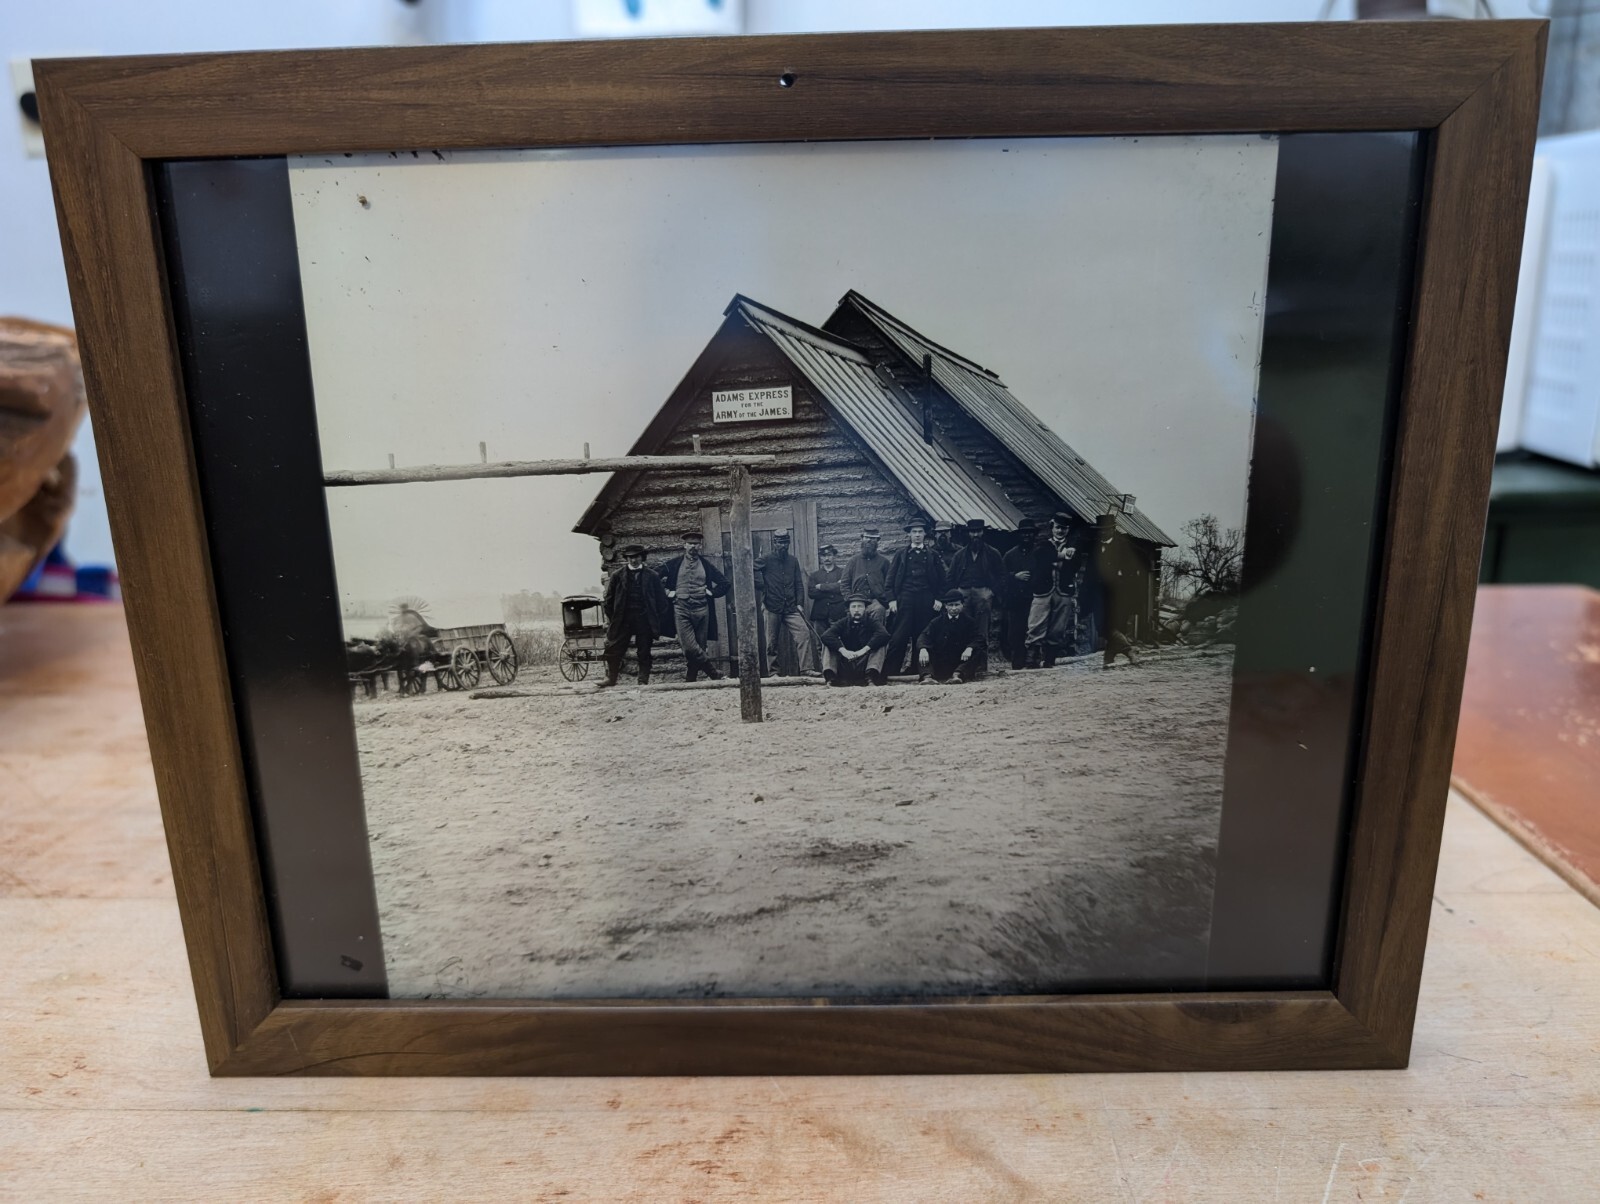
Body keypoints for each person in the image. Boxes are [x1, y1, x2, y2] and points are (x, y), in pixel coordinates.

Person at [657, 530, 730, 682]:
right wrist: (666, 592)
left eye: (696, 544)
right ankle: (714, 674)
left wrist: (711, 592)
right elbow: (653, 579)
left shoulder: (706, 565)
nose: (693, 547)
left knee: (699, 649)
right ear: (684, 545)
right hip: (681, 609)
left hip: (702, 610)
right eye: (690, 543)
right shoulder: (673, 564)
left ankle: (690, 680)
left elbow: (725, 583)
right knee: (689, 647)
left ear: (700, 546)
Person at [884, 514, 947, 676]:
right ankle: (891, 672)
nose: (917, 534)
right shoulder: (900, 554)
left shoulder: (933, 555)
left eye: (920, 531)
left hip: (926, 599)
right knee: (899, 637)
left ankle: (919, 670)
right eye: (914, 532)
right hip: (905, 599)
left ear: (925, 534)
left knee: (922, 635)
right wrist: (891, 600)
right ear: (909, 534)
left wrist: (939, 598)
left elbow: (943, 580)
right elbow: (889, 581)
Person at [945, 518, 1007, 677]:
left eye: (978, 531)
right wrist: (955, 595)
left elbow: (1002, 576)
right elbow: (951, 577)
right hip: (963, 594)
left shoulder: (992, 553)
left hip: (982, 593)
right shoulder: (959, 555)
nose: (976, 535)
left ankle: (981, 667)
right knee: (961, 628)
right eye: (973, 532)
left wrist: (991, 592)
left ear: (983, 532)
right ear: (968, 534)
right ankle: (960, 667)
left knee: (981, 630)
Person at [601, 544, 670, 686]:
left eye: (636, 557)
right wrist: (615, 618)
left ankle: (642, 680)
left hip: (644, 620)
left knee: (644, 651)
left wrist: (654, 619)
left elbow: (662, 602)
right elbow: (608, 601)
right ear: (626, 558)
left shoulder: (652, 576)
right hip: (623, 620)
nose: (633, 560)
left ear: (642, 557)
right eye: (630, 557)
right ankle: (611, 678)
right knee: (613, 649)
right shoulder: (617, 576)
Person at [1024, 512, 1081, 668]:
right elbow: (1041, 558)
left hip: (1063, 591)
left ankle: (1049, 660)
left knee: (1058, 628)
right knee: (1036, 624)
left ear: (1068, 530)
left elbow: (1074, 565)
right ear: (1052, 527)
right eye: (1057, 528)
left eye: (1064, 528)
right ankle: (1032, 660)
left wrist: (1055, 560)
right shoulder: (1043, 543)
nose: (1060, 531)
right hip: (1043, 590)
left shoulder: (1074, 547)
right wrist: (1062, 556)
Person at [754, 528, 813, 675]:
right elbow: (749, 569)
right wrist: (762, 585)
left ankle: (807, 669)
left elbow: (799, 583)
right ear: (775, 543)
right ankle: (773, 673)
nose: (783, 546)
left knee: (804, 633)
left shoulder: (793, 561)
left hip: (791, 608)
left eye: (786, 543)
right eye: (780, 543)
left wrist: (799, 603)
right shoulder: (766, 559)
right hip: (771, 606)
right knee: (771, 643)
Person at [1090, 511, 1144, 668]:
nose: (1103, 533)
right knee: (1103, 627)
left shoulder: (1123, 545)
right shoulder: (1096, 546)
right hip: (1100, 595)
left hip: (1119, 596)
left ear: (1113, 529)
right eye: (1100, 530)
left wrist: (1125, 575)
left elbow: (1143, 559)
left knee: (1111, 627)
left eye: (1106, 529)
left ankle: (1121, 654)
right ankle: (1116, 656)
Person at [820, 592, 890, 686]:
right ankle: (831, 679)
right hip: (847, 664)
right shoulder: (843, 622)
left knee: (881, 644)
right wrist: (843, 651)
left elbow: (884, 634)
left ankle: (870, 678)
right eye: (853, 607)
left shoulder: (872, 622)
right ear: (849, 609)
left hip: (865, 665)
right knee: (829, 644)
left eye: (860, 606)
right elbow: (826, 636)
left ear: (865, 608)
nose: (856, 610)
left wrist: (864, 650)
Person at [1000, 518, 1039, 669]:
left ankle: (1033, 661)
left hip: (1034, 598)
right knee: (1015, 632)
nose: (1026, 536)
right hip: (1015, 600)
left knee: (1034, 630)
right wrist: (1014, 576)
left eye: (1029, 533)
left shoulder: (1039, 552)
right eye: (1024, 533)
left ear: (1033, 535)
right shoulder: (1010, 555)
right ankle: (1017, 662)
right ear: (1019, 535)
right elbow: (1001, 576)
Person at [917, 589, 980, 683]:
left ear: (962, 605)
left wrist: (970, 648)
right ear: (945, 606)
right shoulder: (936, 622)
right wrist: (923, 649)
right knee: (923, 651)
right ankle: (928, 677)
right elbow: (924, 636)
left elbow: (978, 638)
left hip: (960, 662)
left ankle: (957, 676)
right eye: (950, 605)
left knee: (978, 651)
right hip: (941, 661)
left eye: (957, 604)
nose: (954, 608)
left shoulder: (969, 622)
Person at [807, 543, 848, 670]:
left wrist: (822, 587)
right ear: (820, 558)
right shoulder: (815, 575)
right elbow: (812, 593)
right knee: (821, 643)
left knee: (839, 641)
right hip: (820, 614)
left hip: (838, 613)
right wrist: (834, 587)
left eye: (829, 555)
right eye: (824, 556)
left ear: (834, 556)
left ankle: (841, 670)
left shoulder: (842, 572)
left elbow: (843, 589)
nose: (827, 558)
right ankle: (825, 670)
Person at [842, 528, 892, 624]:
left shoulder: (884, 562)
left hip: (875, 601)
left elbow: (889, 584)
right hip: (857, 600)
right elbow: (844, 583)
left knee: (879, 610)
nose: (869, 541)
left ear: (877, 541)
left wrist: (884, 599)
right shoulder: (853, 561)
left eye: (872, 538)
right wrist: (850, 599)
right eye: (866, 537)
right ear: (862, 539)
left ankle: (877, 638)